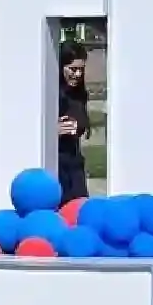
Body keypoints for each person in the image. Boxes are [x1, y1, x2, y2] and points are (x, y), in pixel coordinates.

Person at [55, 43, 92, 203]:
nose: (78, 74)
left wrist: (78, 126)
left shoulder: (79, 94)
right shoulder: (52, 93)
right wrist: (53, 131)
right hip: (56, 162)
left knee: (79, 207)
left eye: (81, 69)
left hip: (74, 162)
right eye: (72, 69)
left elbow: (83, 121)